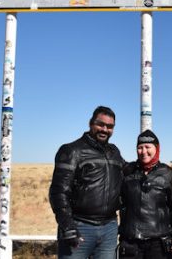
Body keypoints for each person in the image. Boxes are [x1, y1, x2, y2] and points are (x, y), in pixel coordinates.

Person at [49, 106, 124, 259]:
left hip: (109, 227)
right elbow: (58, 192)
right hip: (80, 226)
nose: (104, 129)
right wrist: (67, 225)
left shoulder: (114, 152)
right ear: (91, 123)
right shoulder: (71, 151)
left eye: (109, 127)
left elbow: (131, 171)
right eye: (100, 124)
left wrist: (171, 167)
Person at [119, 129, 172, 258]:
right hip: (131, 242)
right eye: (140, 147)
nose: (143, 152)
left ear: (157, 148)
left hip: (158, 243)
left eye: (148, 147)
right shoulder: (128, 171)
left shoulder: (168, 173)